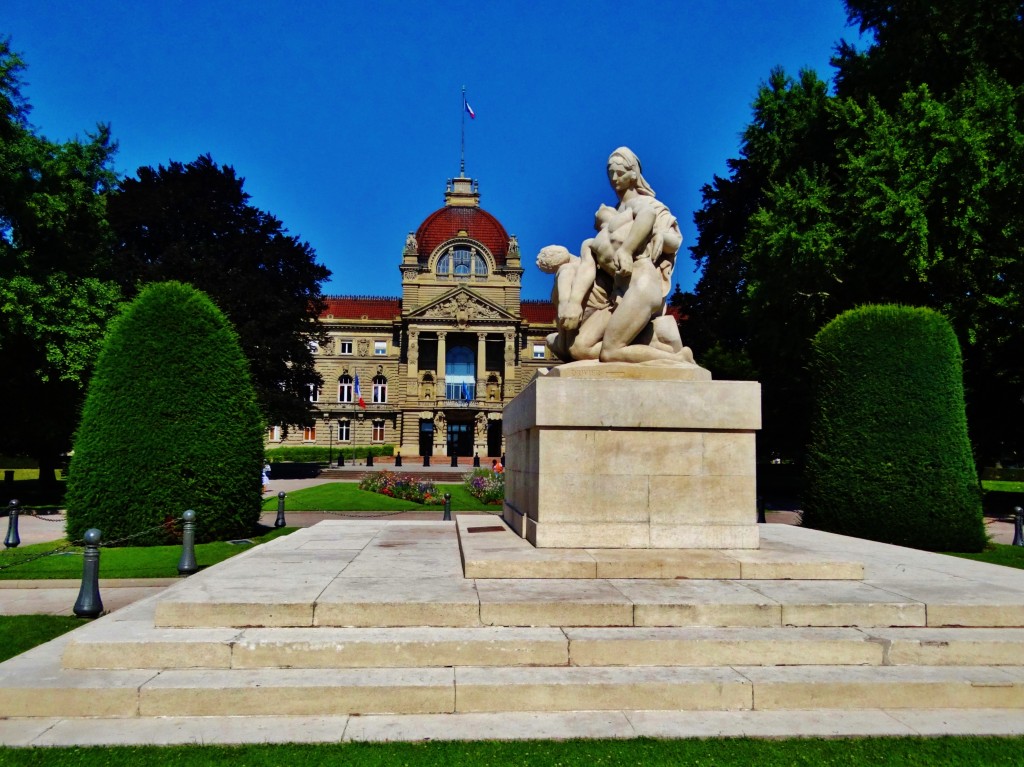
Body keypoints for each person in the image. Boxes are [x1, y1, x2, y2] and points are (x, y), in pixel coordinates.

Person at [547, 147, 696, 365]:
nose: (614, 178)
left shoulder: (642, 205)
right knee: (579, 348)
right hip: (617, 297)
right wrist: (573, 303)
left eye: (620, 172)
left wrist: (639, 245)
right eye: (610, 173)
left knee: (610, 352)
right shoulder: (594, 240)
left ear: (634, 174)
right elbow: (588, 268)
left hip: (641, 285)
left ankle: (677, 358)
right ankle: (647, 346)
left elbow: (669, 237)